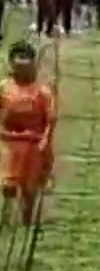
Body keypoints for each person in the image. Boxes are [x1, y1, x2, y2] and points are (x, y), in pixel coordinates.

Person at [0, 41, 56, 227]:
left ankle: (27, 220)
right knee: (8, 185)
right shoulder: (4, 88)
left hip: (34, 144)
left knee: (29, 189)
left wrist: (45, 140)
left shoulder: (42, 91)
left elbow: (51, 119)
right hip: (9, 142)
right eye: (18, 60)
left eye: (26, 60)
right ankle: (5, 218)